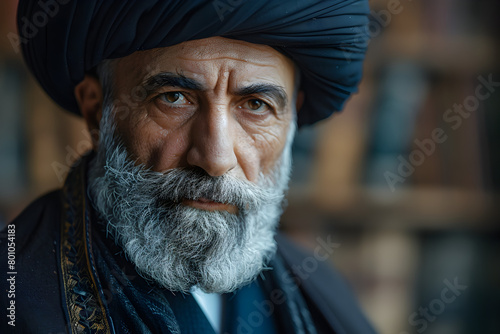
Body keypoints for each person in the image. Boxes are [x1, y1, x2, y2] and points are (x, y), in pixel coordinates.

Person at [1, 1, 376, 333]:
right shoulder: (14, 294)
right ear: (97, 110)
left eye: (256, 105)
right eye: (175, 98)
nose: (215, 160)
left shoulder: (320, 287)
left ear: (291, 118)